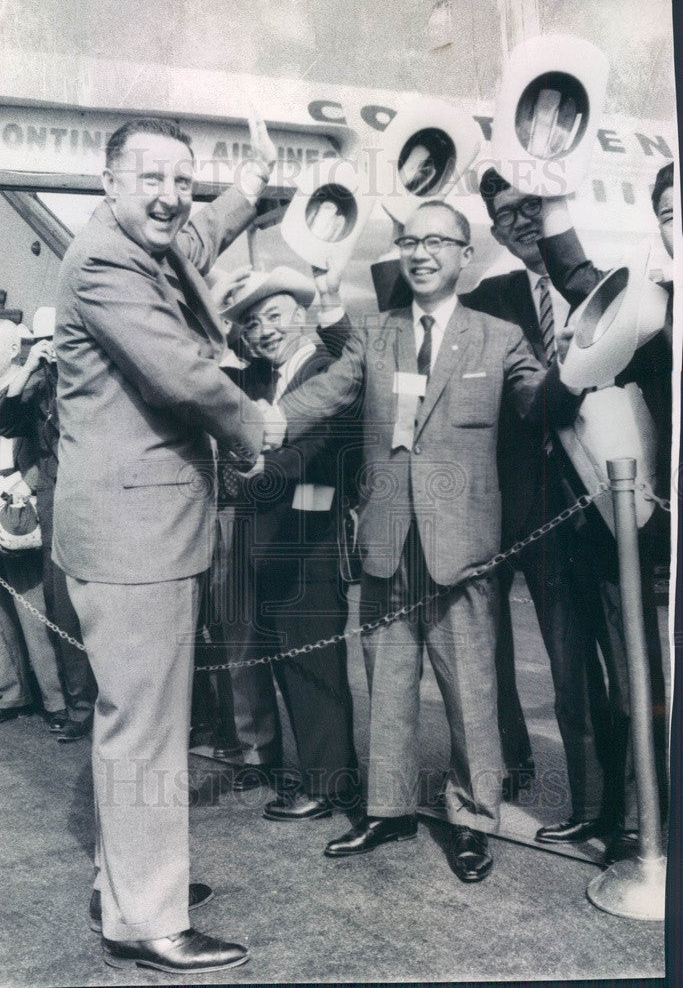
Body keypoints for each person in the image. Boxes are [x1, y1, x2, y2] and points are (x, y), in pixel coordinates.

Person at [263, 200, 576, 882]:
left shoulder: (498, 337)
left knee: (470, 691)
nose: (421, 252)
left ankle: (471, 819)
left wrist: (580, 370)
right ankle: (386, 809)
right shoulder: (374, 337)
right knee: (389, 683)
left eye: (438, 241)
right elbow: (322, 398)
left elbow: (536, 401)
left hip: (461, 550)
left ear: (465, 256)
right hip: (385, 540)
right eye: (409, 241)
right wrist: (263, 422)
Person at [52, 115, 274, 975]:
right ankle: (148, 922)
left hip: (140, 527)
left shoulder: (138, 237)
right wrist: (254, 426)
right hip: (134, 534)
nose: (170, 197)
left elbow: (198, 231)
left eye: (182, 180)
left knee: (145, 722)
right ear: (108, 182)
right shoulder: (107, 264)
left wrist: (248, 184)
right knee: (144, 732)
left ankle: (133, 884)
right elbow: (181, 375)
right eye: (150, 178)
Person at [371, 167, 607, 821]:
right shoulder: (493, 296)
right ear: (493, 233)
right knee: (485, 653)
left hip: (580, 506)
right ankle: (503, 766)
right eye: (506, 215)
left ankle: (589, 801)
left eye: (530, 206)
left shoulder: (591, 283)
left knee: (571, 665)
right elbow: (412, 310)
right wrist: (406, 227)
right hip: (498, 507)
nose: (522, 221)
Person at [534, 162, 674, 864]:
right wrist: (552, 188)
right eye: (671, 211)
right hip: (639, 524)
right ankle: (631, 818)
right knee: (633, 681)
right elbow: (575, 274)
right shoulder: (653, 306)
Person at [217, 264, 361, 820]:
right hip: (268, 544)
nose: (264, 331)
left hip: (310, 543)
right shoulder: (257, 379)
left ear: (300, 314)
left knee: (315, 666)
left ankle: (332, 786)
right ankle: (321, 775)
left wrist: (257, 469)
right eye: (251, 325)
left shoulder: (327, 370)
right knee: (289, 663)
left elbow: (319, 451)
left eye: (273, 316)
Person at [0, 313, 96, 742]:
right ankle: (80, 708)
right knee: (62, 610)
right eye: (46, 342)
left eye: (60, 340)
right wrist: (31, 368)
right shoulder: (37, 391)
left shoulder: (91, 383)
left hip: (98, 510)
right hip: (56, 512)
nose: (55, 349)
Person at [0, 318, 68, 729]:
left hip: (24, 507)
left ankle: (56, 700)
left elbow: (45, 448)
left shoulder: (31, 387)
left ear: (14, 348)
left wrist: (26, 489)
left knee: (33, 607)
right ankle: (11, 694)